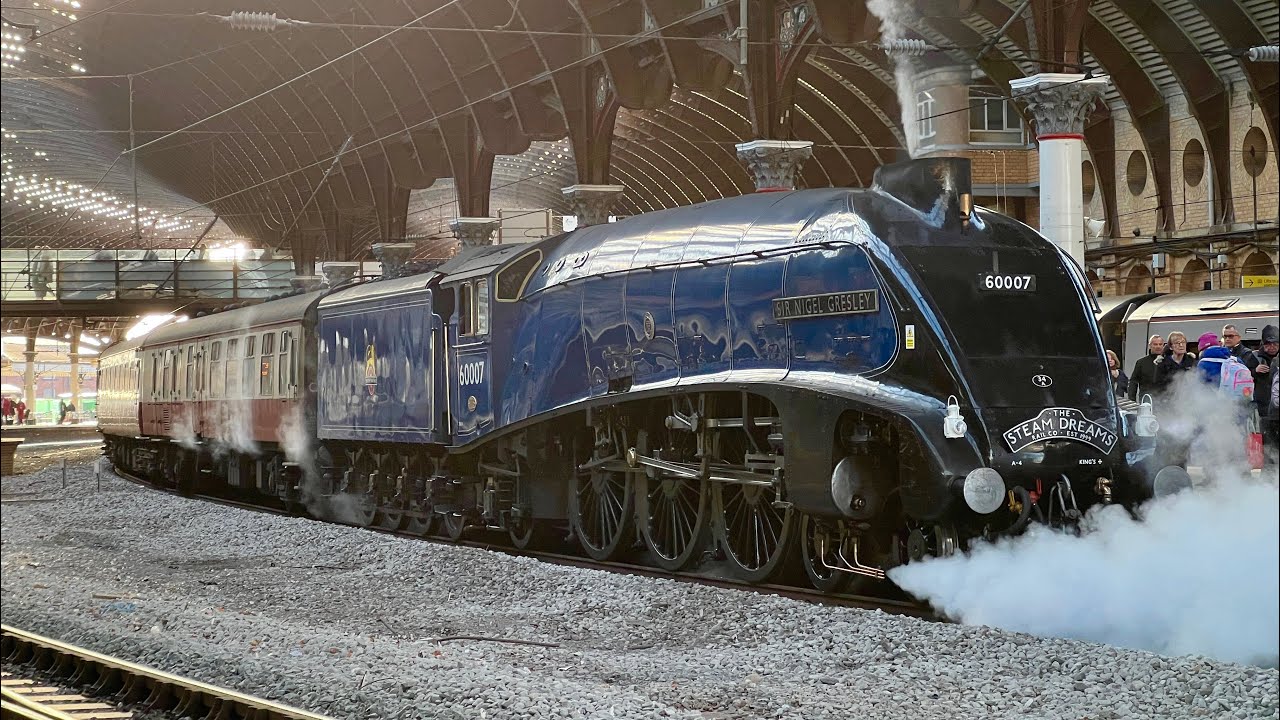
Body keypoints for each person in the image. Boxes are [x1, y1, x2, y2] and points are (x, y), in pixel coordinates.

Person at [1246, 324, 1278, 427]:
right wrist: (1255, 371)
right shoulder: (1254, 357)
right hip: (1262, 408)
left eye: (1275, 344)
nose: (1272, 347)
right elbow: (1244, 378)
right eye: (1268, 344)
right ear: (1262, 344)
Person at [1128, 334, 1164, 401]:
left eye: (1160, 344)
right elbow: (1133, 382)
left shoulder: (1168, 362)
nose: (1158, 346)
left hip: (1165, 400)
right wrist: (1132, 400)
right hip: (1146, 400)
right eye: (1155, 344)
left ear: (1163, 345)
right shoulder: (1141, 362)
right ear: (1150, 345)